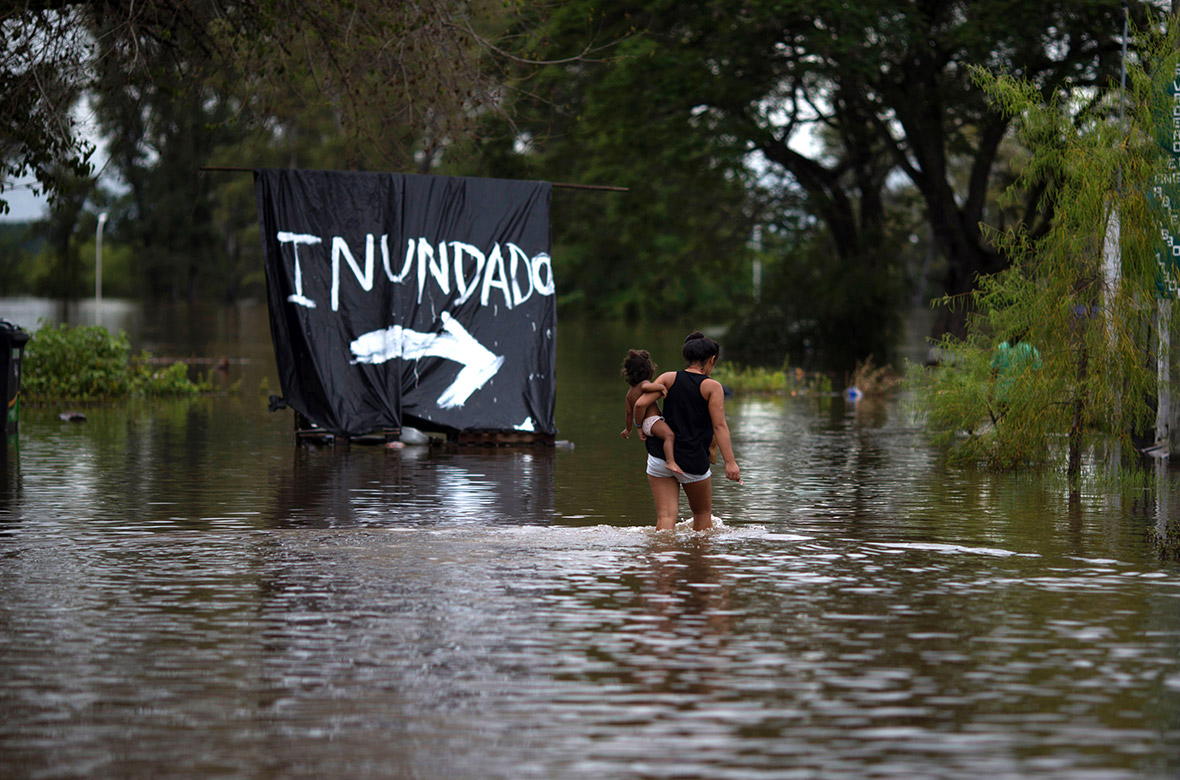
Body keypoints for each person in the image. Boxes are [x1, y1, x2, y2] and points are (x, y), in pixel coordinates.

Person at [632, 331, 740, 531]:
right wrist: (730, 462)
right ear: (712, 359)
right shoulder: (712, 387)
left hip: (660, 457)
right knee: (702, 516)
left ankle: (663, 559)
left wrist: (639, 427)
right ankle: (699, 561)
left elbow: (640, 403)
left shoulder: (668, 378)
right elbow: (719, 426)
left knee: (665, 517)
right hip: (692, 460)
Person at [620, 349, 683, 475]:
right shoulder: (644, 384)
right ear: (648, 370)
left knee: (666, 437)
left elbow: (628, 413)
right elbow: (647, 387)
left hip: (645, 424)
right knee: (669, 436)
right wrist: (661, 387)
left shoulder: (629, 393)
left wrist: (629, 429)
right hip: (652, 421)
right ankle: (670, 461)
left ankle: (667, 459)